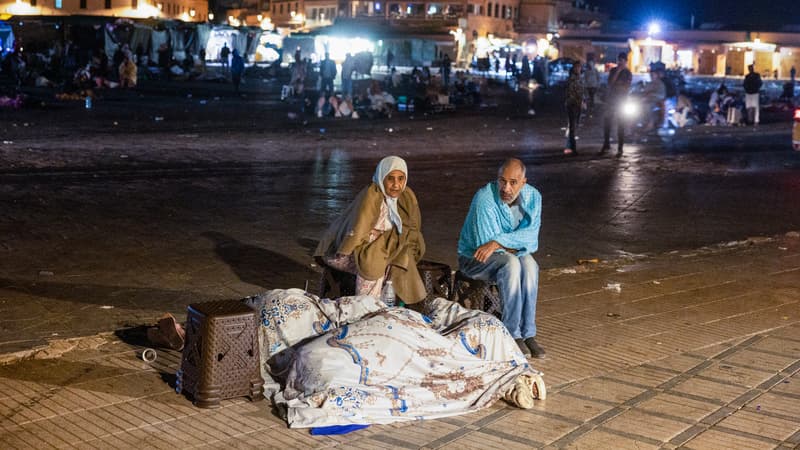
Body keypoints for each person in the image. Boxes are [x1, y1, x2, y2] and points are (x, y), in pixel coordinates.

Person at [457, 158, 545, 359]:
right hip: (473, 260)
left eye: (513, 182)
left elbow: (531, 239)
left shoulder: (533, 197)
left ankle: (528, 333)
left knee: (530, 264)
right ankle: (512, 334)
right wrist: (508, 244)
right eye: (502, 181)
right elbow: (483, 246)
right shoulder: (484, 199)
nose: (506, 188)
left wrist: (498, 242)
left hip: (502, 253)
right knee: (512, 263)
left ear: (524, 183)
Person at [314, 156, 427, 304]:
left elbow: (412, 229)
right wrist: (383, 238)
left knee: (400, 259)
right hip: (342, 252)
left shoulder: (407, 197)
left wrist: (387, 238)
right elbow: (358, 231)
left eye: (401, 179)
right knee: (374, 262)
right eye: (390, 179)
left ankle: (393, 308)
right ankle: (367, 309)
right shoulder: (372, 195)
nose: (396, 185)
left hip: (381, 249)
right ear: (381, 178)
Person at [600, 52, 632, 157]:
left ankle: (620, 148)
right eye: (619, 60)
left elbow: (626, 86)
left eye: (622, 61)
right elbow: (610, 83)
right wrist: (617, 72)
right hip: (612, 100)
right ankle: (606, 144)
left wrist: (618, 84)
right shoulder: (614, 70)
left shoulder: (628, 73)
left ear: (625, 61)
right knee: (607, 122)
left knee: (621, 124)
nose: (620, 62)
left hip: (622, 101)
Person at [564, 63, 583, 155]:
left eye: (580, 67)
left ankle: (570, 146)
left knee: (574, 126)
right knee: (572, 127)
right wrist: (579, 102)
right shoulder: (572, 79)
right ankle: (572, 148)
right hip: (573, 105)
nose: (579, 69)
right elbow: (572, 94)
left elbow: (581, 92)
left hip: (576, 105)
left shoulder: (579, 78)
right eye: (578, 67)